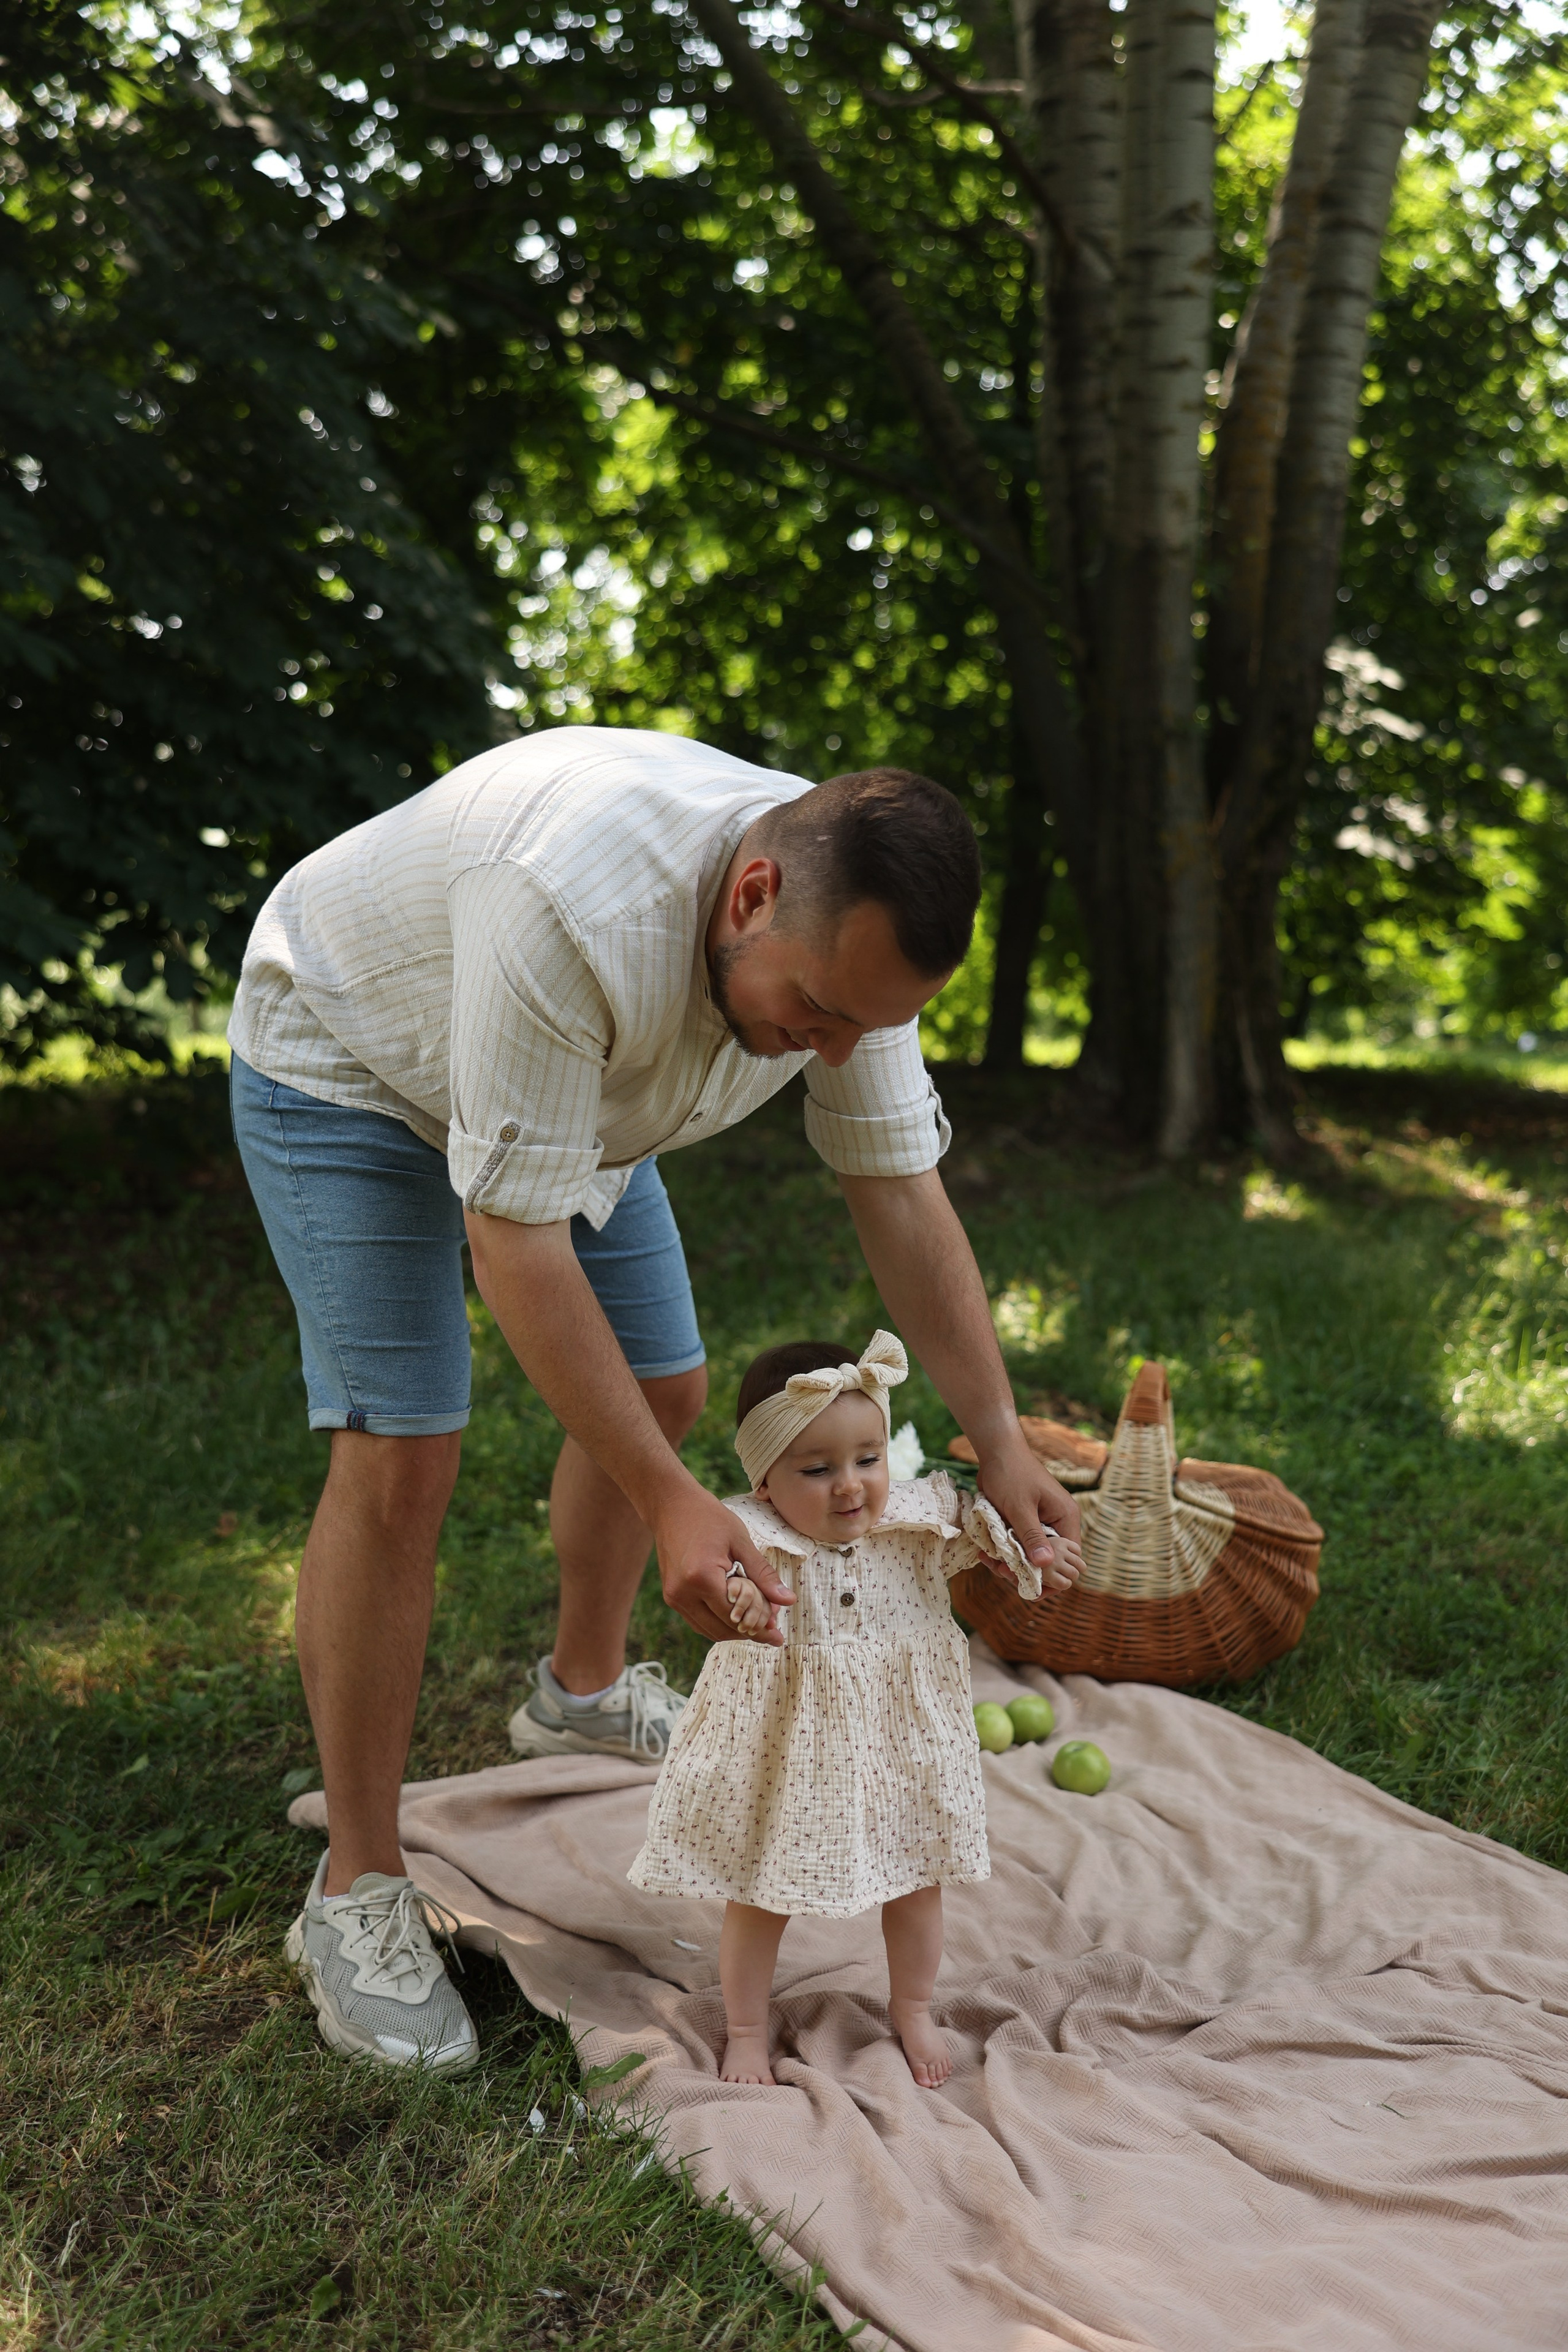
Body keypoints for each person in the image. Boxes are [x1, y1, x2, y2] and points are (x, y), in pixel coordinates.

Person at [226, 725, 1083, 2071]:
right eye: (819, 1012)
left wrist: (997, 1437)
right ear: (750, 896)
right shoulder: (571, 906)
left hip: (573, 1088)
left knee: (668, 1384)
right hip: (350, 1057)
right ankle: (357, 1888)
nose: (835, 1049)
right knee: (404, 1450)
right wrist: (673, 1504)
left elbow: (901, 1194)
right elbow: (514, 1242)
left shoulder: (831, 963)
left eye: (867, 1027)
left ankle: (575, 1693)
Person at [629, 1332, 1083, 2087]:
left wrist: (1032, 1550)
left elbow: (994, 1536)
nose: (850, 1487)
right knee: (760, 1887)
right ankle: (745, 2027)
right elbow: (728, 1584)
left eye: (867, 1459)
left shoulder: (917, 1522)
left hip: (899, 1750)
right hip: (789, 1753)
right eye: (817, 1469)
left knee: (917, 1880)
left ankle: (912, 2009)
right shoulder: (754, 1536)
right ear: (766, 1481)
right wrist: (741, 1599)